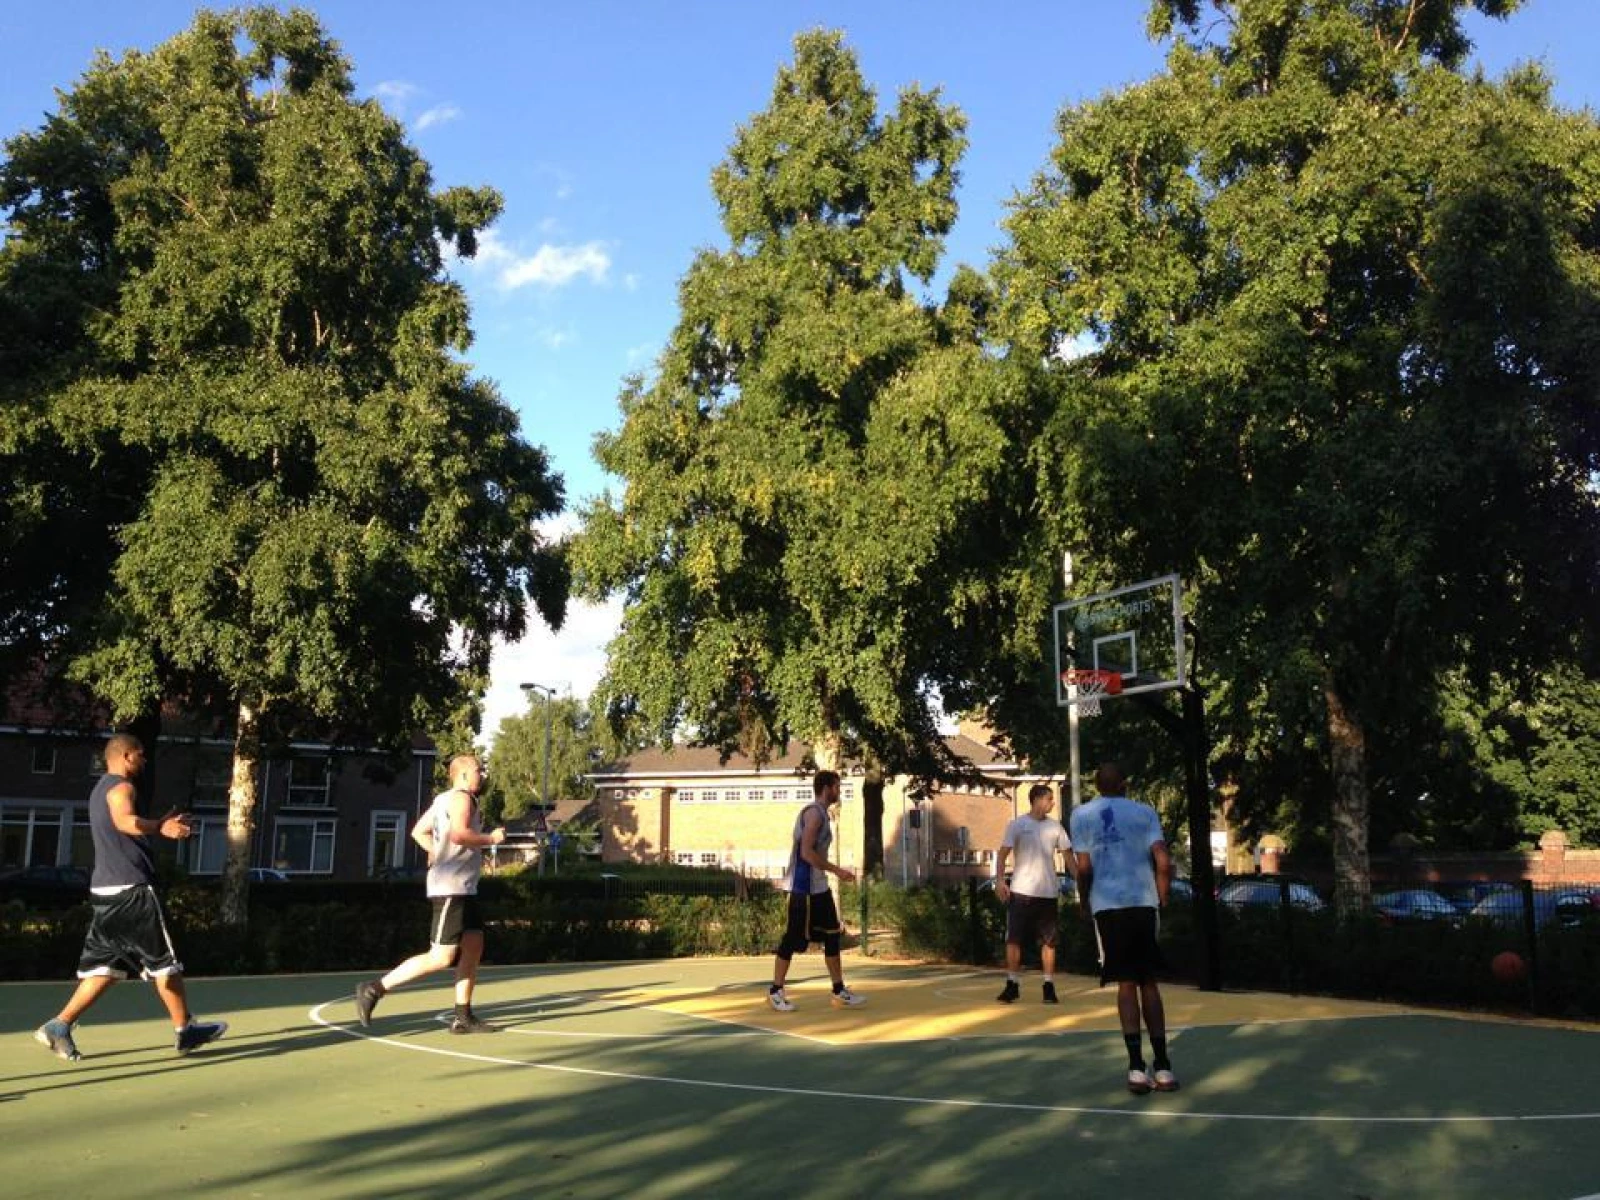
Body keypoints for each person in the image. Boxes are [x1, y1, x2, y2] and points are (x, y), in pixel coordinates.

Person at [34, 733, 228, 1062]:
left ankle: (59, 1025)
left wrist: (157, 825)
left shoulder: (98, 790)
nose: (144, 760)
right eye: (140, 754)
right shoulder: (122, 787)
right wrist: (160, 828)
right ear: (125, 756)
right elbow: (125, 821)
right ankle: (185, 1030)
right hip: (132, 891)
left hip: (105, 892)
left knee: (103, 969)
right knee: (164, 964)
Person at [354, 753, 506, 1033]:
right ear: (462, 775)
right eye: (477, 770)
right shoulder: (462, 798)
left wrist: (435, 851)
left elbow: (417, 832)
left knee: (473, 947)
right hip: (452, 887)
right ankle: (374, 989)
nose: (481, 774)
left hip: (464, 887)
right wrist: (490, 839)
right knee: (442, 956)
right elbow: (459, 835)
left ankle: (463, 1016)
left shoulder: (442, 800)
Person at [1069, 762, 1178, 1094]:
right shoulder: (1144, 812)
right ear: (1125, 784)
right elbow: (1162, 859)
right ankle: (1163, 1068)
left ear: (1097, 785)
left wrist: (1083, 901)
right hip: (1143, 902)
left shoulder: (1081, 815)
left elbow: (1084, 867)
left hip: (1108, 905)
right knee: (1149, 981)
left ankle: (1135, 1067)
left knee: (1125, 983)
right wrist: (1162, 895)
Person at [767, 769, 865, 1012]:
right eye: (837, 786)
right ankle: (775, 991)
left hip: (819, 887)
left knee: (832, 935)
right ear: (828, 787)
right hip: (804, 889)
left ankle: (839, 989)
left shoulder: (823, 814)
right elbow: (806, 853)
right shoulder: (814, 814)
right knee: (793, 939)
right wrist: (838, 871)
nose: (839, 791)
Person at [994, 783, 1073, 1004]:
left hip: (1047, 893)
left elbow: (1068, 857)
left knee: (1049, 941)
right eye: (1049, 799)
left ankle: (1048, 985)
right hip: (1021, 891)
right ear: (1037, 799)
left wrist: (1082, 881)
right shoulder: (1017, 825)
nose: (1052, 802)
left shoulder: (1055, 827)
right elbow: (1002, 855)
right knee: (1014, 939)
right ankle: (1012, 984)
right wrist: (1000, 881)